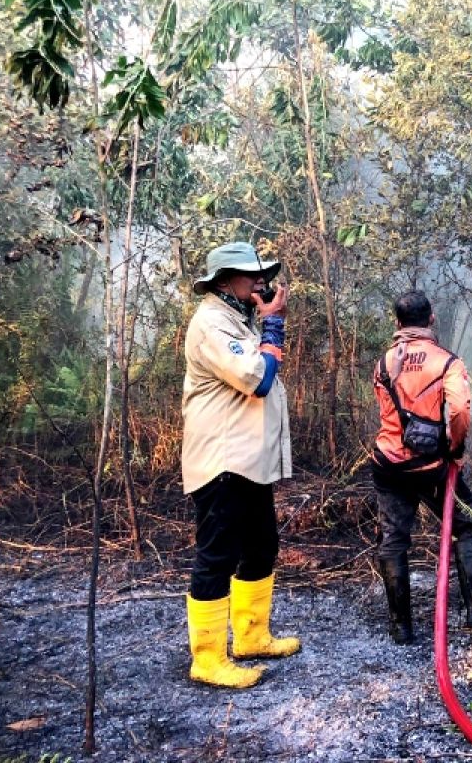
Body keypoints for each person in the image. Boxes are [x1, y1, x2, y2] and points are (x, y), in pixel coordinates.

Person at [371, 290, 472, 644]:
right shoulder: (447, 362)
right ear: (432, 319)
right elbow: (459, 411)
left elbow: (389, 414)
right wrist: (455, 449)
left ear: (397, 323)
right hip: (430, 467)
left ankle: (401, 628)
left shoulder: (383, 363)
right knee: (470, 525)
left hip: (388, 464)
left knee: (393, 539)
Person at [182, 241, 301, 688]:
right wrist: (273, 325)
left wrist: (267, 323)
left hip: (247, 462)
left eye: (260, 274)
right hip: (222, 459)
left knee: (261, 546)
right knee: (217, 555)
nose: (260, 282)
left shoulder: (237, 320)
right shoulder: (213, 323)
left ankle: (252, 637)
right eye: (250, 275)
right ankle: (208, 658)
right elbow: (260, 380)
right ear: (224, 280)